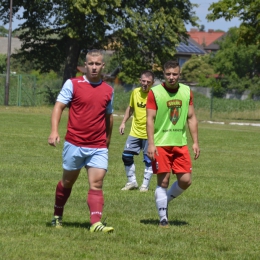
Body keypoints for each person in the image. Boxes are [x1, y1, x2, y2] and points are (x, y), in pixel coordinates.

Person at [48, 49, 114, 233]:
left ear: (103, 66)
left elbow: (109, 117)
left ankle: (95, 223)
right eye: (91, 64)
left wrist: (107, 139)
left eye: (97, 64)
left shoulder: (109, 90)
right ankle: (57, 215)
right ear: (85, 65)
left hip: (98, 146)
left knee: (97, 183)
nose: (94, 67)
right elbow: (59, 107)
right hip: (74, 143)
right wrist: (54, 131)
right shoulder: (73, 84)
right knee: (67, 182)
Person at [146, 60, 200, 228]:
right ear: (164, 74)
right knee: (163, 181)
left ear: (179, 74)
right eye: (168, 74)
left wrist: (195, 142)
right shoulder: (154, 92)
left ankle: (163, 202)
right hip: (161, 144)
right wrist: (151, 144)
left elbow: (191, 118)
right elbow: (150, 119)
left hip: (180, 143)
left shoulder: (186, 92)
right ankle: (163, 219)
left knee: (186, 181)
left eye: (174, 74)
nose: (171, 77)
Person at [119, 71, 154, 192]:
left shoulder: (155, 95)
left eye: (148, 82)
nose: (145, 84)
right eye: (143, 81)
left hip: (149, 134)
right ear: (140, 80)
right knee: (126, 156)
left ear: (152, 83)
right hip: (135, 132)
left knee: (149, 160)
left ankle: (144, 186)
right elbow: (131, 107)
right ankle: (132, 182)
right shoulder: (135, 92)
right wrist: (123, 122)